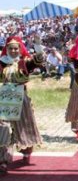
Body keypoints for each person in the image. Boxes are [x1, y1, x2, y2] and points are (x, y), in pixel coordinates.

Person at [0, 36, 44, 175]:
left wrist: (38, 45)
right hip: (4, 100)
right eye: (11, 48)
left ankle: (26, 152)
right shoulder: (1, 63)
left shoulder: (24, 63)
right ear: (6, 49)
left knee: (24, 127)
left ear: (19, 49)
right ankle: (3, 160)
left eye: (15, 48)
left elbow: (38, 60)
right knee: (4, 128)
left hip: (21, 99)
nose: (13, 51)